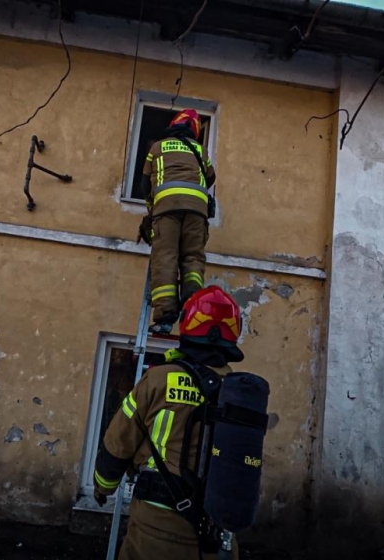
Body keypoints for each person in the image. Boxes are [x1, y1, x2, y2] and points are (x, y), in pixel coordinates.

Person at [93, 285, 243, 560]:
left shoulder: (159, 379)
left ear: (188, 325)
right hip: (215, 537)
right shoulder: (239, 393)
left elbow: (118, 442)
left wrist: (103, 487)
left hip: (154, 530)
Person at [139, 109, 216, 334]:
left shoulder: (158, 147)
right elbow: (211, 177)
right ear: (194, 129)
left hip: (167, 209)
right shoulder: (200, 150)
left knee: (166, 257)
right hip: (197, 212)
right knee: (193, 257)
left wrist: (151, 206)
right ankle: (191, 306)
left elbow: (145, 182)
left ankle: (165, 316)